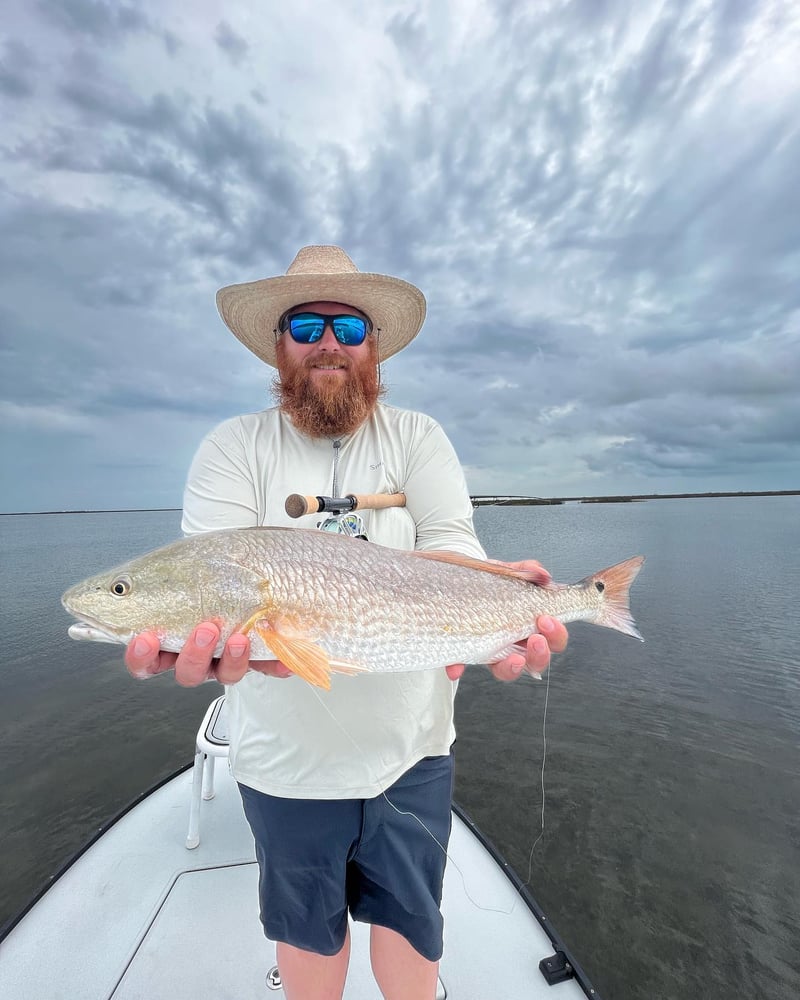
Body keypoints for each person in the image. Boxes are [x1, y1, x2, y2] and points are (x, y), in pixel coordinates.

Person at [125, 246, 568, 1000]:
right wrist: (174, 627)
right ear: (279, 345)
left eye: (348, 326)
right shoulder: (233, 449)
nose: (328, 341)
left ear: (374, 346)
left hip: (414, 751)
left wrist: (506, 602)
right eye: (306, 323)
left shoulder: (419, 438)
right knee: (307, 935)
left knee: (412, 926)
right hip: (284, 767)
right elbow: (211, 572)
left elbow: (453, 545)